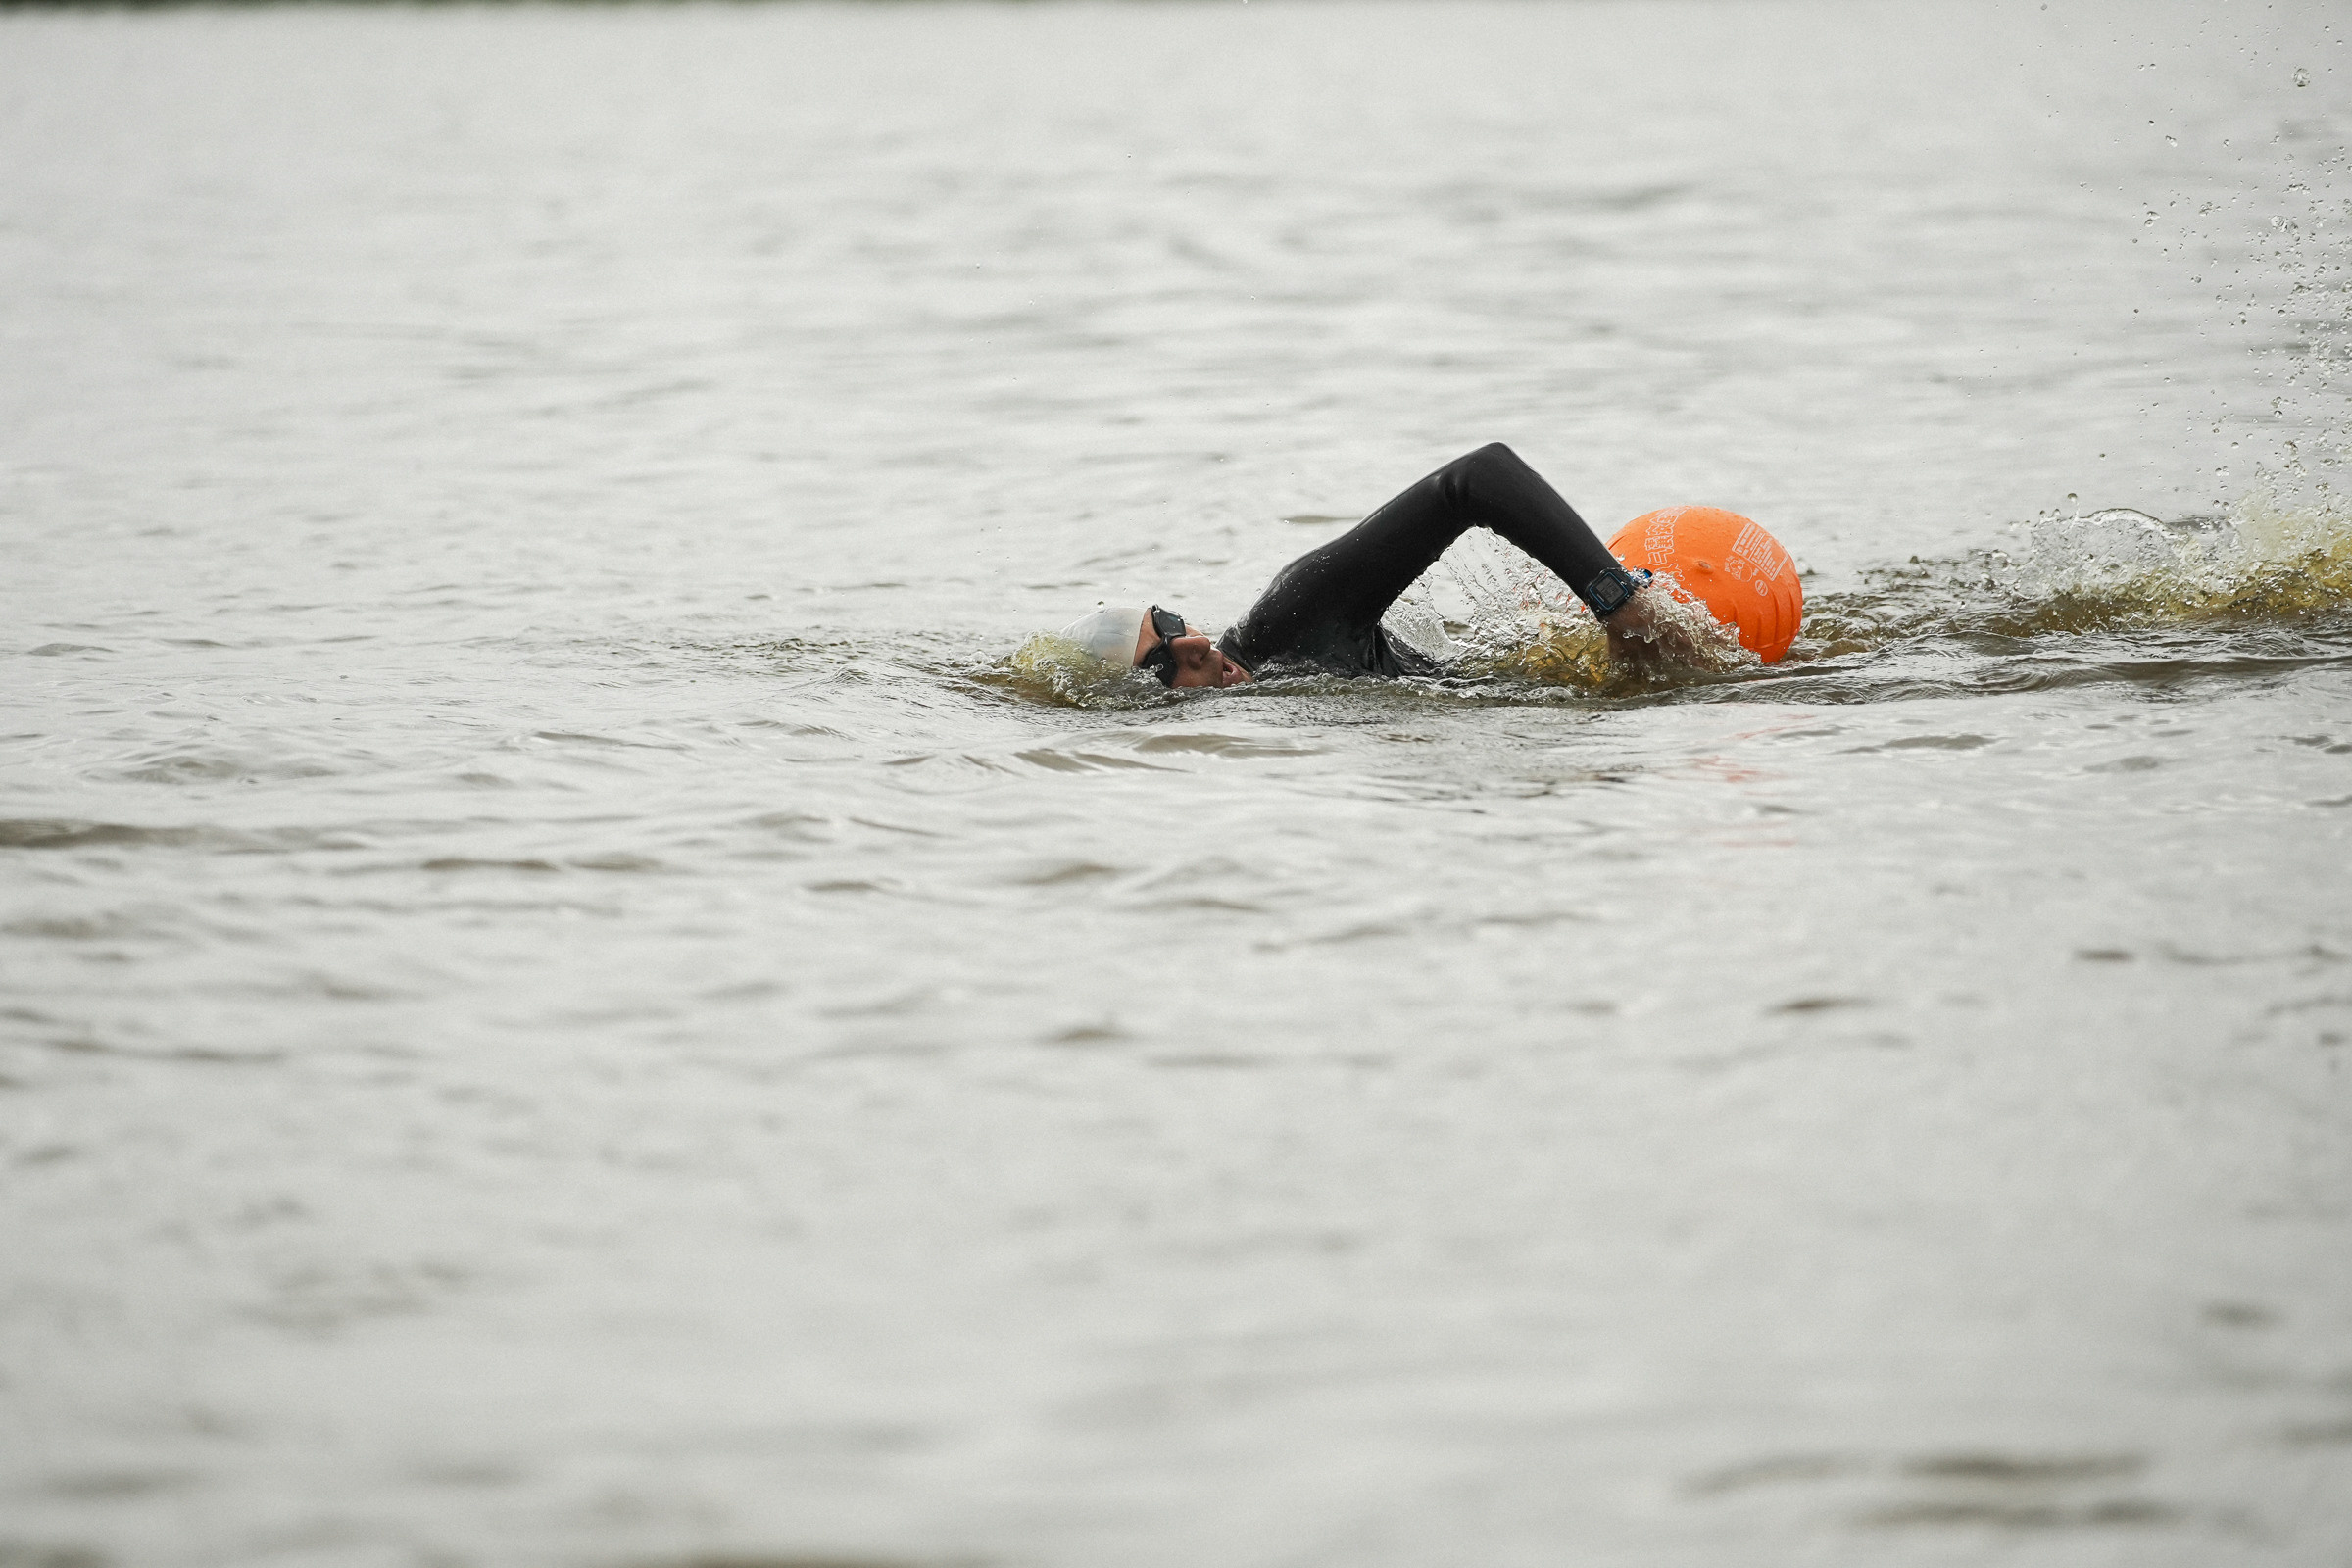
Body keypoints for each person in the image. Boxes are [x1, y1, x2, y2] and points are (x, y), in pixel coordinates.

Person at [1054, 442, 1691, 687]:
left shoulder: (1291, 618)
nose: (1192, 642)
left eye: (1168, 622)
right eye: (1161, 661)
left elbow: (1478, 475)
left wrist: (1619, 602)